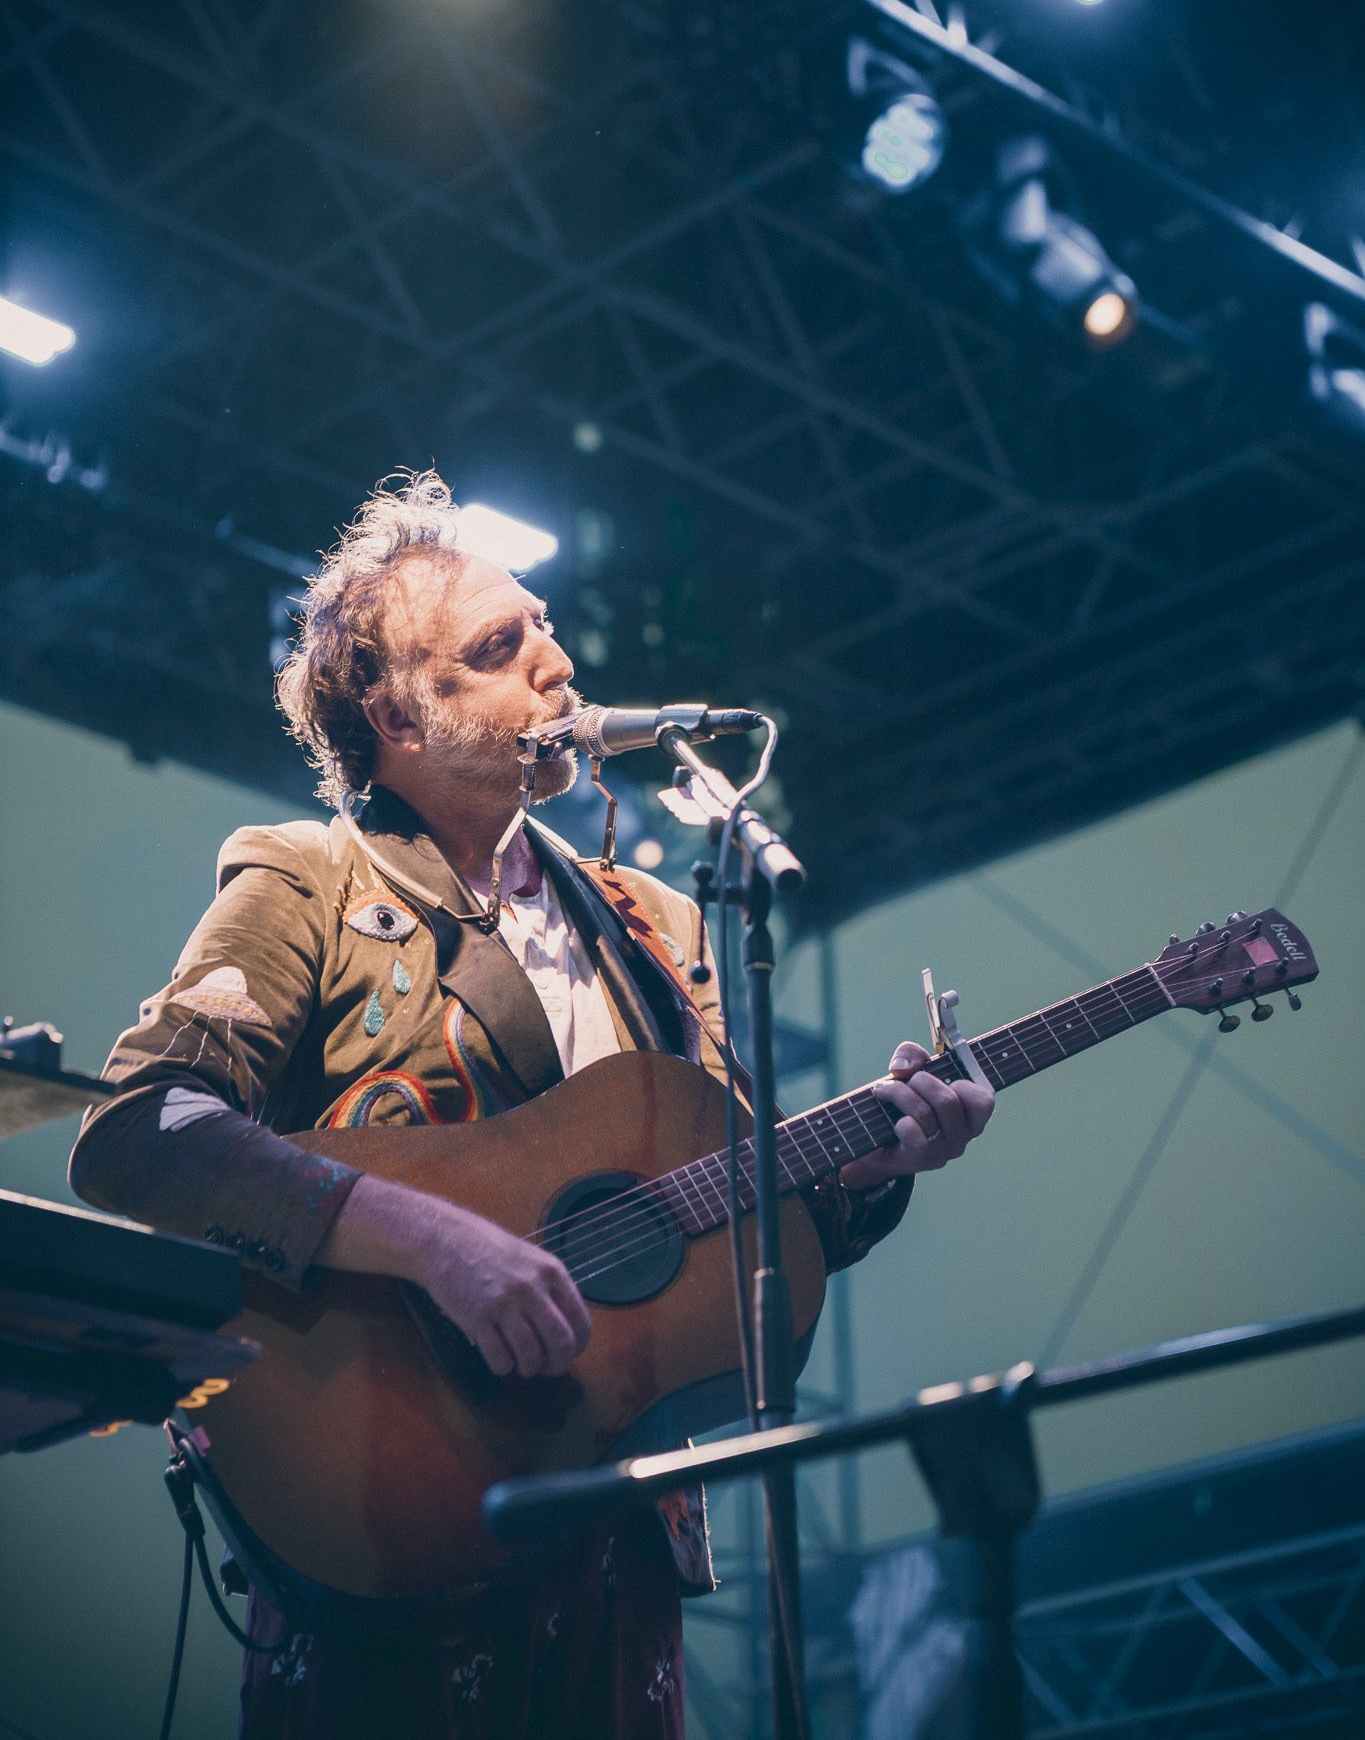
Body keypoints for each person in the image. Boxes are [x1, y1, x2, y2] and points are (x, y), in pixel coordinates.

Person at [69, 472, 995, 1740]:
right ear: (398, 710)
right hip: (378, 1509)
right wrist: (434, 1238)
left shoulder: (656, 926)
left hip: (617, 1512)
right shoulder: (312, 879)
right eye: (500, 650)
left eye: (544, 626)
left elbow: (723, 1224)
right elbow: (137, 1133)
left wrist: (874, 1161)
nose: (556, 665)